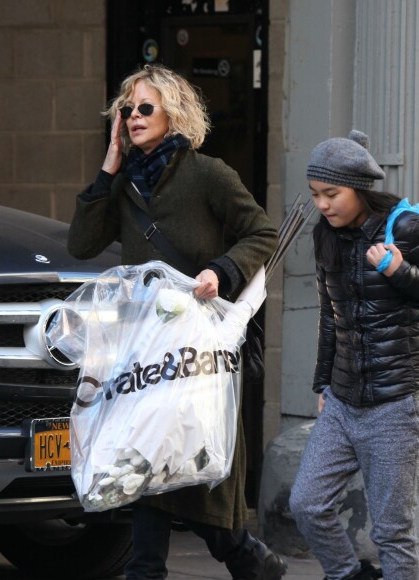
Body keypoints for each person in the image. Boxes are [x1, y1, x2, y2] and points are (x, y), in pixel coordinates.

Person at [67, 64, 286, 580]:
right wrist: (109, 164)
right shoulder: (122, 188)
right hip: (143, 359)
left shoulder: (207, 174)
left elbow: (264, 234)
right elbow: (81, 244)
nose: (135, 116)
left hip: (197, 357)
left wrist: (220, 270)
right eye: (127, 110)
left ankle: (249, 559)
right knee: (146, 475)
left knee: (204, 495)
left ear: (173, 113)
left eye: (146, 108)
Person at [288, 130, 419, 580]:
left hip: (399, 402)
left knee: (392, 531)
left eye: (332, 194)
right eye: (316, 195)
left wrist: (399, 269)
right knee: (307, 503)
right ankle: (349, 575)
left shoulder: (405, 227)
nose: (323, 205)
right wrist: (323, 384)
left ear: (360, 189)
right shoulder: (324, 237)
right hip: (343, 400)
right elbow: (331, 316)